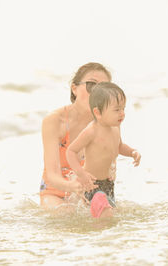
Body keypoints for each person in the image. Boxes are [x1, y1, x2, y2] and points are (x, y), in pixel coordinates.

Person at [40, 62, 112, 210]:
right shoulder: (54, 121)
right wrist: (72, 186)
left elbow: (109, 170)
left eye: (104, 88)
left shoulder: (106, 122)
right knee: (67, 217)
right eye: (92, 85)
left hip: (89, 191)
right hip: (55, 192)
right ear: (74, 89)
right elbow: (53, 175)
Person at [66, 82, 141, 218]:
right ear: (98, 112)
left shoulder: (115, 127)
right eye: (117, 110)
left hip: (108, 184)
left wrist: (132, 152)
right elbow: (70, 151)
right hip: (92, 184)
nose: (122, 114)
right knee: (106, 214)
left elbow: (119, 146)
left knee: (110, 213)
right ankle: (99, 234)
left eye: (123, 108)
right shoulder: (91, 131)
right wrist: (81, 174)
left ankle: (102, 235)